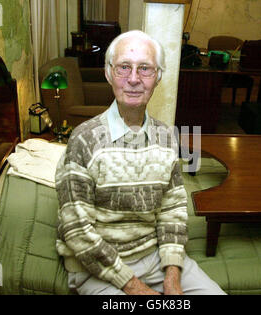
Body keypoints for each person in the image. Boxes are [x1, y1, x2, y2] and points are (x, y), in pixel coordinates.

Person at [55, 30, 225, 295]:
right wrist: (137, 288)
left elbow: (173, 210)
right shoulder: (83, 141)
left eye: (144, 69)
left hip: (155, 259)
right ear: (109, 73)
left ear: (157, 77)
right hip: (96, 267)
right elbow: (77, 231)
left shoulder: (167, 137)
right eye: (124, 67)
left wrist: (172, 276)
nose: (133, 79)